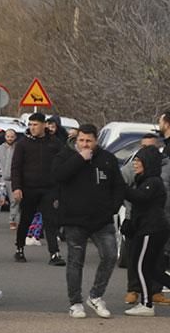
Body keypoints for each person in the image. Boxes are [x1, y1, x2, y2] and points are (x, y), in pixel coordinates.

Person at [51, 124, 125, 319]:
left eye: (89, 141)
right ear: (77, 140)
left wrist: (112, 208)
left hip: (102, 221)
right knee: (75, 262)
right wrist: (79, 159)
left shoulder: (107, 159)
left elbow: (119, 187)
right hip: (74, 220)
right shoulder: (65, 156)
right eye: (82, 140)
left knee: (109, 256)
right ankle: (75, 302)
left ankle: (96, 296)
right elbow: (58, 176)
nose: (85, 144)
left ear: (96, 141)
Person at [11, 112, 65, 265]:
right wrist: (17, 187)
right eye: (30, 125)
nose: (32, 128)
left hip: (49, 188)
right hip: (29, 188)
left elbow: (64, 162)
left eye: (35, 125)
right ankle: (19, 249)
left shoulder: (54, 143)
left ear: (44, 125)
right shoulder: (23, 143)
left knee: (50, 221)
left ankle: (54, 253)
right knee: (26, 220)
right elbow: (16, 167)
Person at [123, 146, 169, 316]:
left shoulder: (153, 182)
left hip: (152, 229)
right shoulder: (142, 180)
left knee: (141, 266)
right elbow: (139, 207)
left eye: (138, 160)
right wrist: (130, 224)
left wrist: (122, 188)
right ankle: (146, 301)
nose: (135, 164)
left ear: (147, 162)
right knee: (153, 269)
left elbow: (140, 198)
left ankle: (146, 304)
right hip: (147, 228)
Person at [0, 129, 19, 229]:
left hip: (13, 179)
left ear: (15, 137)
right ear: (5, 137)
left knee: (15, 201)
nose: (10, 138)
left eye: (12, 137)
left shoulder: (18, 148)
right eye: (8, 136)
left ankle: (12, 220)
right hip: (1, 180)